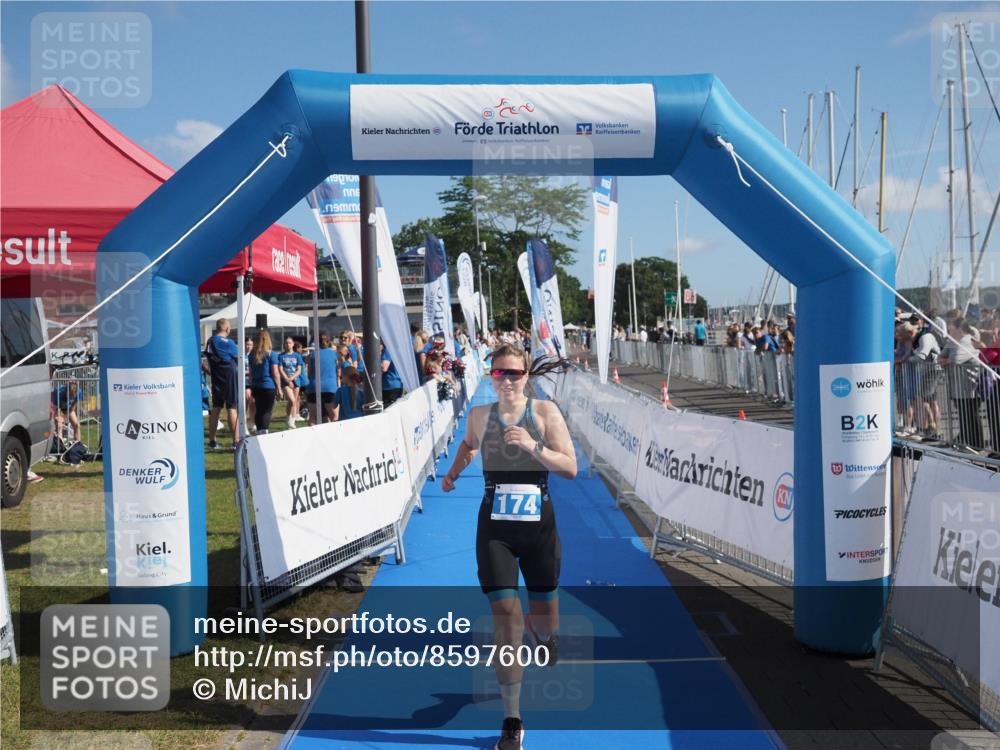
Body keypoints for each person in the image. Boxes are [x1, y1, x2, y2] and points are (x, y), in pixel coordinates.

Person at [441, 344, 576, 750]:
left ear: (527, 375)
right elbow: (467, 446)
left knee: (544, 619)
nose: (508, 380)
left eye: (515, 373)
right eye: (500, 373)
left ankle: (546, 635)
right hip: (495, 530)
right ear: (491, 376)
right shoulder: (481, 415)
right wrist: (451, 474)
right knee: (506, 622)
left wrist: (534, 446)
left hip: (539, 531)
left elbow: (571, 468)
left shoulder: (545, 413)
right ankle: (512, 720)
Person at [939, 317, 984, 450]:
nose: (948, 331)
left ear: (959, 329)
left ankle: (977, 444)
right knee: (963, 415)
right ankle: (966, 440)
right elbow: (940, 356)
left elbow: (956, 359)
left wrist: (946, 360)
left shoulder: (967, 341)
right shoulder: (953, 342)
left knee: (971, 415)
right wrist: (945, 360)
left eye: (951, 328)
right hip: (958, 386)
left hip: (970, 387)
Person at [203, 319, 240, 450]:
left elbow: (208, 356)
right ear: (226, 329)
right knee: (232, 407)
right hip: (229, 375)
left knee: (216, 408)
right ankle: (236, 441)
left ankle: (212, 441)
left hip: (217, 376)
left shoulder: (211, 341)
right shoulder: (229, 342)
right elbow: (238, 358)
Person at [249, 329, 281, 435]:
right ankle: (264, 430)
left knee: (259, 409)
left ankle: (259, 430)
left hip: (256, 386)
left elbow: (251, 373)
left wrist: (251, 385)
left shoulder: (251, 355)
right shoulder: (271, 354)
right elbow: (275, 373)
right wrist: (279, 388)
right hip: (268, 385)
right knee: (267, 410)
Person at [307, 332, 339, 425]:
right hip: (330, 387)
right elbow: (337, 370)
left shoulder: (311, 355)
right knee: (334, 417)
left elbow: (308, 373)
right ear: (329, 341)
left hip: (314, 387)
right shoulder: (334, 354)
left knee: (313, 417)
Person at [277, 336, 304, 429]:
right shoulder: (281, 356)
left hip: (296, 381)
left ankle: (292, 421)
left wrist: (292, 378)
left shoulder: (297, 356)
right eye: (286, 343)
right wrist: (287, 380)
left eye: (289, 343)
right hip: (285, 381)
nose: (287, 344)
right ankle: (289, 419)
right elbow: (280, 370)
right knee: (291, 400)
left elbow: (299, 370)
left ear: (293, 344)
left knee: (294, 401)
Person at [51, 379, 80, 444]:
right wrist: (59, 418)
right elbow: (55, 409)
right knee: (59, 425)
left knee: (77, 425)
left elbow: (73, 405)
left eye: (72, 396)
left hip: (68, 408)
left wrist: (68, 414)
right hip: (57, 407)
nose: (71, 397)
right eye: (69, 395)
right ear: (66, 391)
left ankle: (78, 445)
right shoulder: (58, 392)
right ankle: (60, 446)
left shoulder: (79, 392)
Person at [244, 336, 256, 433]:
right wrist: (247, 371)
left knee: (253, 402)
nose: (249, 346)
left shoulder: (254, 355)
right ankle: (243, 426)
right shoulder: (240, 355)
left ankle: (253, 423)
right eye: (247, 344)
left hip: (253, 382)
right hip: (244, 382)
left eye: (250, 345)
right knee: (246, 403)